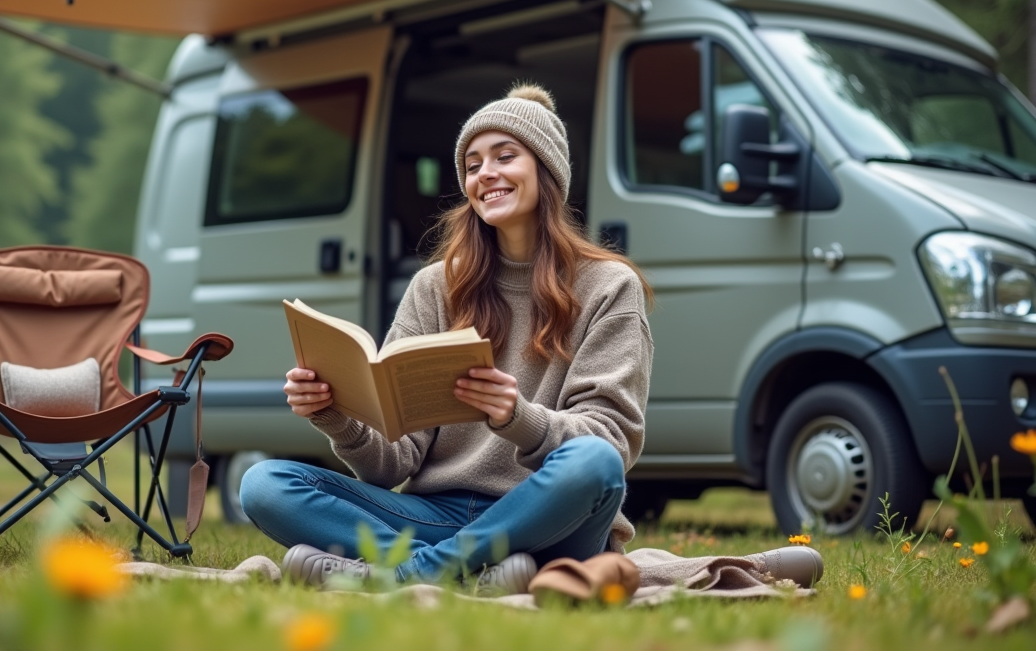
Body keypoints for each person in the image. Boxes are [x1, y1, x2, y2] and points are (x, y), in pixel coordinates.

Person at [240, 83, 822, 594]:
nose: (483, 173)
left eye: (504, 156)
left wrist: (518, 417)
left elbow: (611, 442)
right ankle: (479, 572)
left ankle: (411, 576)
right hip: (435, 512)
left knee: (592, 461)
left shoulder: (609, 287)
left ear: (546, 171)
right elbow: (393, 465)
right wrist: (337, 416)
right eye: (471, 164)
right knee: (265, 484)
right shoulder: (433, 288)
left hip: (556, 518)